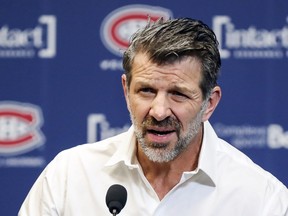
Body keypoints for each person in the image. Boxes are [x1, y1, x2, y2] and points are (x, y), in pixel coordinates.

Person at [19, 17, 288, 216]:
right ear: (126, 91)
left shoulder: (262, 199)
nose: (159, 111)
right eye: (146, 91)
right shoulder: (68, 176)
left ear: (210, 103)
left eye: (178, 94)